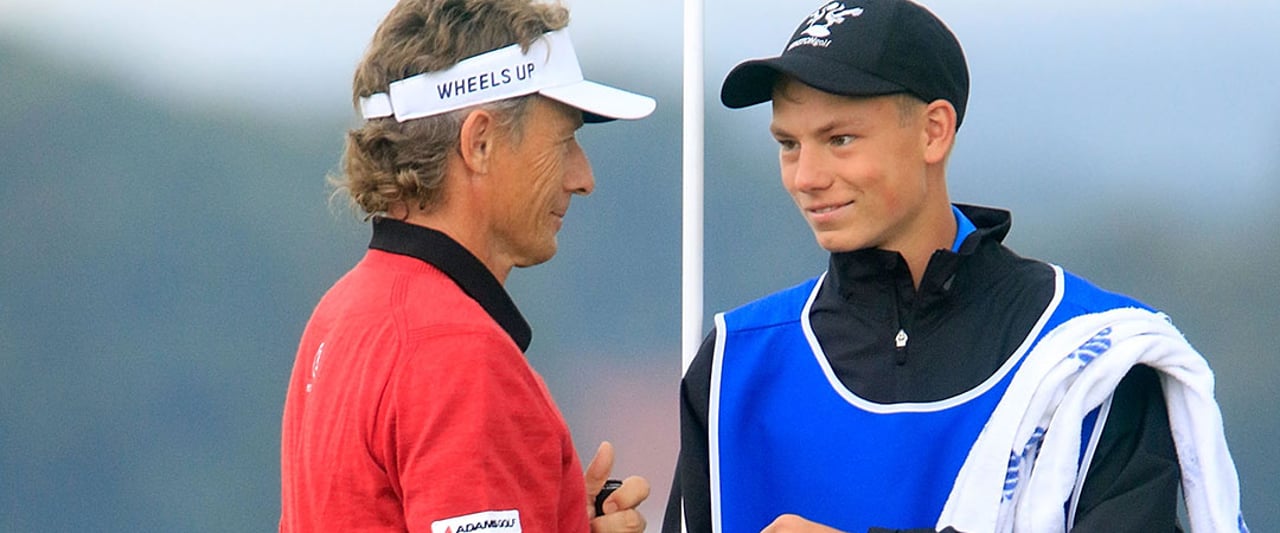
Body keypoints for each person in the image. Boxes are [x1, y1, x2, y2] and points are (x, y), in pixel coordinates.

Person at [663, 1, 1247, 532]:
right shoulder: (733, 365)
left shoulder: (1093, 354)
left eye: (839, 139)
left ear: (933, 131)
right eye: (788, 144)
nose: (806, 177)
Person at [279, 0, 657, 531]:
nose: (583, 176)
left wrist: (558, 510)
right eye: (565, 141)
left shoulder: (341, 312)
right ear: (479, 142)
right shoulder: (457, 351)